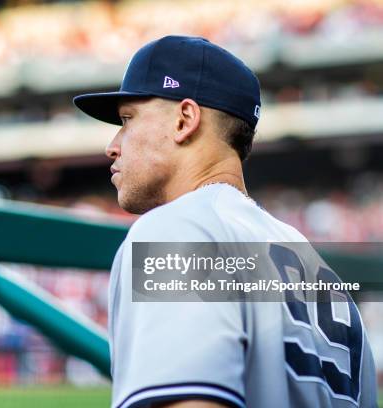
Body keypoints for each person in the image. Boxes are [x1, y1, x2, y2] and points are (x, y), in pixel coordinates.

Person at [73, 36, 377, 408]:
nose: (113, 144)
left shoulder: (177, 231)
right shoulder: (321, 271)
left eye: (127, 119)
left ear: (185, 120)